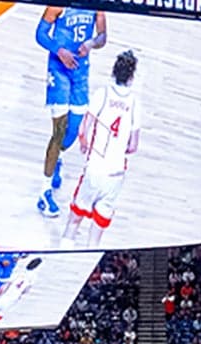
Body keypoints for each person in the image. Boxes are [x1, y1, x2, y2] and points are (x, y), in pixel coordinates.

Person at [33, 6, 106, 218]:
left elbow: (102, 36)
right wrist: (59, 50)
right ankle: (44, 193)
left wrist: (92, 43)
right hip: (58, 69)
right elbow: (40, 33)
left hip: (81, 72)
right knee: (59, 130)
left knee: (73, 131)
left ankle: (57, 159)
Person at [62, 50, 140, 247]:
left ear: (114, 72)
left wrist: (84, 142)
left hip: (95, 169)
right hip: (115, 176)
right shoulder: (134, 102)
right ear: (131, 77)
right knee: (95, 237)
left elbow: (83, 129)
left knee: (73, 223)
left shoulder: (102, 94)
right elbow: (133, 146)